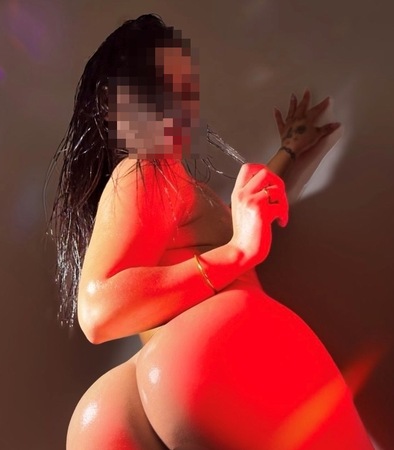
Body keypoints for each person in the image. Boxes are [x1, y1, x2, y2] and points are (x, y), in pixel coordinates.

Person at [50, 14, 374, 450]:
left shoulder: (166, 187)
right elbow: (99, 311)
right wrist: (237, 252)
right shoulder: (149, 169)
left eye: (187, 88)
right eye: (164, 86)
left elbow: (236, 225)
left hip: (118, 409)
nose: (183, 104)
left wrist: (288, 151)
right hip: (212, 365)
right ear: (117, 104)